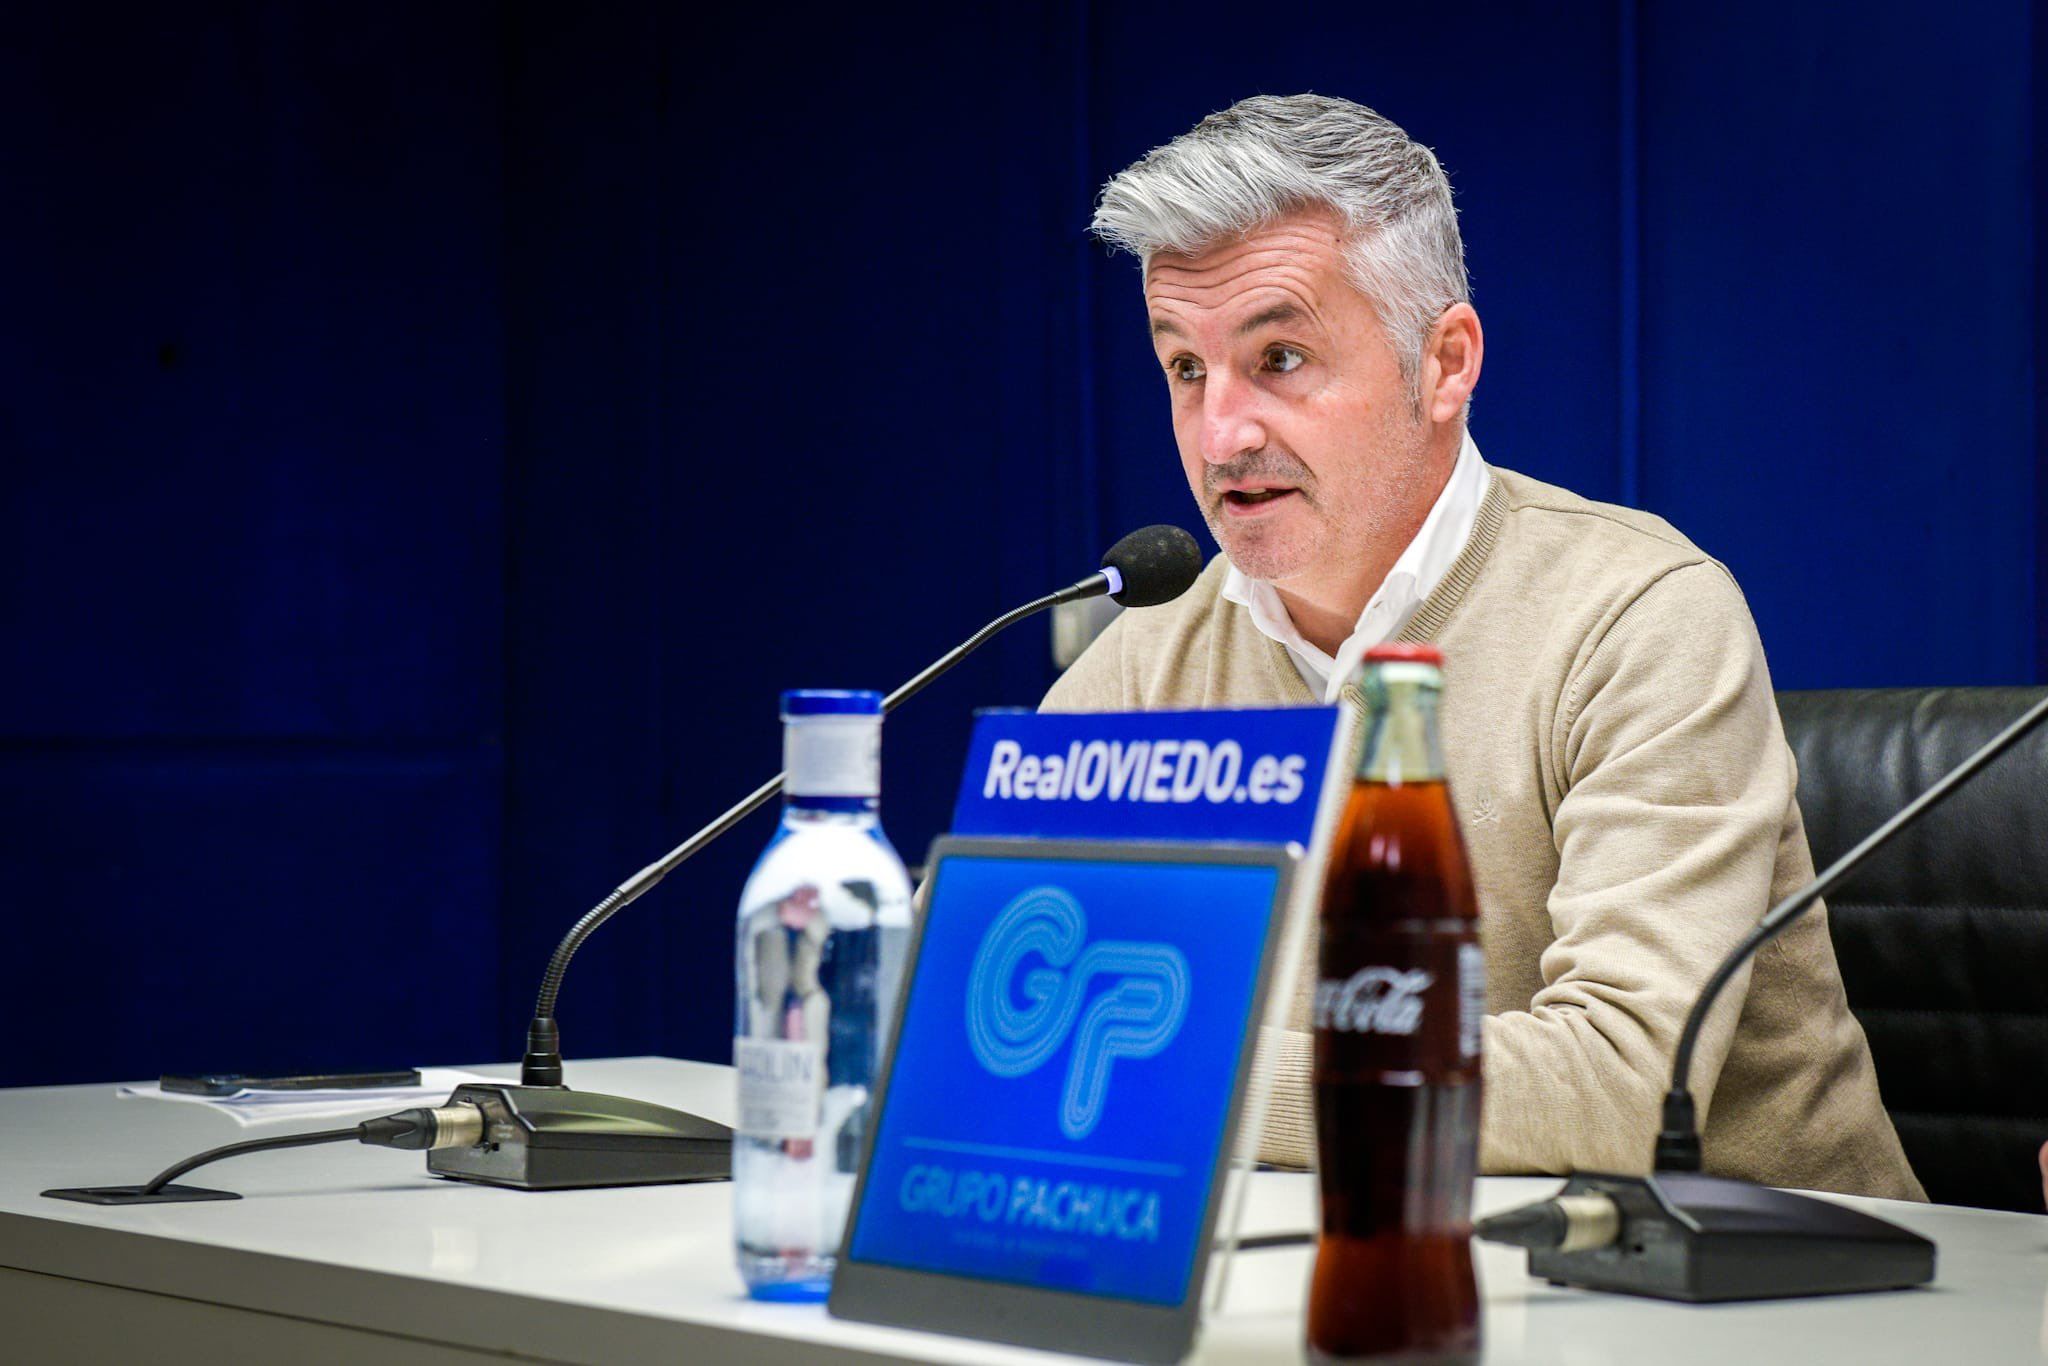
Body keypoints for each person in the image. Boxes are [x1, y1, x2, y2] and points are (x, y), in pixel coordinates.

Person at [1044, 93, 1923, 1201]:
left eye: (1278, 355)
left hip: (1752, 1299)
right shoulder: (1149, 657)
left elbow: (1614, 1083)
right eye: (1183, 368)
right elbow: (969, 1002)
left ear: (1445, 361)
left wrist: (1152, 1065)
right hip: (1337, 1265)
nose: (1220, 433)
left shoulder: (1637, 614)